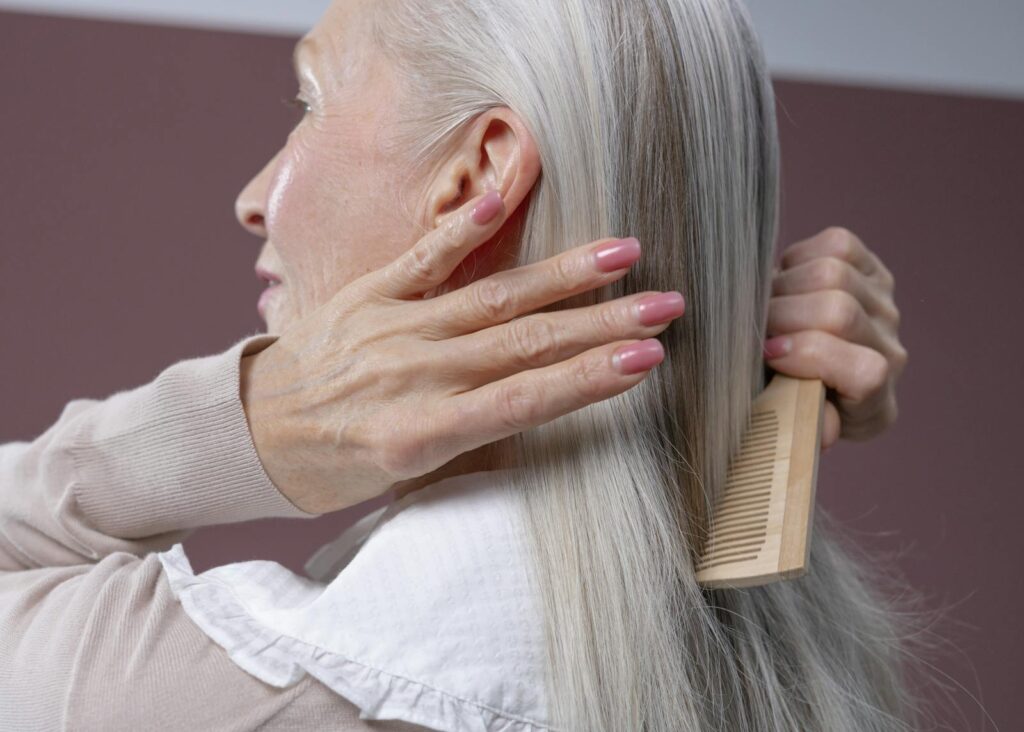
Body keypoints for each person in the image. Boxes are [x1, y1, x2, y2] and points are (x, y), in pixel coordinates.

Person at [0, 0, 912, 729]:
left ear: (477, 178)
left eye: (309, 102)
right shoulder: (814, 668)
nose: (253, 200)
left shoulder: (225, 693)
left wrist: (252, 421)